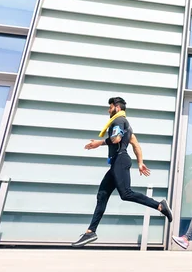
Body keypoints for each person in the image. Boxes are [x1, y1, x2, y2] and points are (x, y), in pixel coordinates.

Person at [71, 97, 173, 247]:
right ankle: (90, 232)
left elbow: (117, 138)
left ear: (117, 108)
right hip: (116, 162)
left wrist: (98, 143)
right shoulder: (127, 124)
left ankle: (160, 206)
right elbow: (136, 145)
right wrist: (140, 162)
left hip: (120, 160)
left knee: (126, 194)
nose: (108, 110)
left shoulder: (118, 122)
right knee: (102, 195)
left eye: (110, 107)